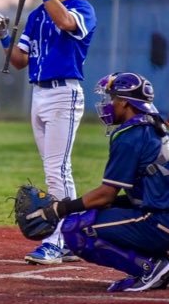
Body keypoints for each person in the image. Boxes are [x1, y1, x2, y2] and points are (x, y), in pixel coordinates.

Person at [0, 0, 97, 264]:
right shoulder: (37, 15)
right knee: (57, 170)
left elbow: (65, 22)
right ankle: (70, 236)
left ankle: (58, 238)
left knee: (56, 170)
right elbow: (20, 61)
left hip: (65, 93)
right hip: (39, 94)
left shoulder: (81, 8)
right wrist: (4, 38)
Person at [31, 72, 169, 292]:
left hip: (160, 222)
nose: (108, 104)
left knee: (76, 228)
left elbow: (106, 194)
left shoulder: (131, 134)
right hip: (163, 217)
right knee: (105, 210)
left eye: (113, 98)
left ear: (125, 102)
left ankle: (149, 267)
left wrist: (61, 208)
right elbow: (145, 192)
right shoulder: (158, 125)